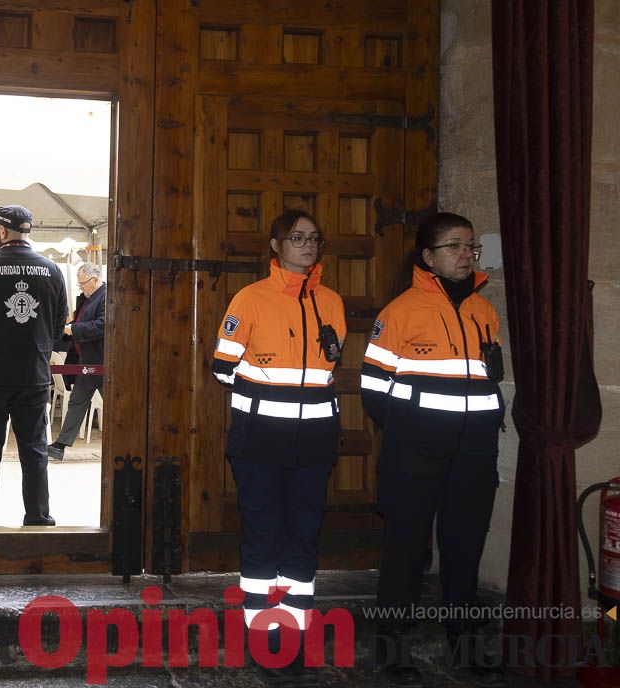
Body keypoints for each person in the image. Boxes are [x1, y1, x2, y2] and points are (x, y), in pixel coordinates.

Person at [360, 213, 506, 687]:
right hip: (415, 454)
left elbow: (490, 378)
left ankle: (464, 641)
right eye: (454, 246)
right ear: (428, 257)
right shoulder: (399, 312)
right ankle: (392, 645)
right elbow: (373, 390)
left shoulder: (484, 312)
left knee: (464, 549)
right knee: (405, 551)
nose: (466, 255)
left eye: (470, 247)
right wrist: (416, 431)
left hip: (474, 452)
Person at [210, 210, 345, 677]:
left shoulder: (332, 301)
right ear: (275, 246)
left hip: (315, 442)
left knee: (304, 536)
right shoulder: (249, 299)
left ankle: (295, 633)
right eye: (296, 238)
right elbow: (222, 368)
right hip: (260, 442)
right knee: (264, 535)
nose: (307, 245)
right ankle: (264, 638)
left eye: (314, 238)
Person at [0, 205, 68, 527]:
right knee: (34, 452)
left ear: (2, 231)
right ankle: (38, 517)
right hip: (32, 375)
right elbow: (59, 325)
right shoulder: (52, 271)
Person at [48, 263, 105, 460]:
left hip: (101, 362)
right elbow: (80, 322)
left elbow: (103, 325)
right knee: (77, 402)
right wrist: (67, 329)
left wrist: (73, 330)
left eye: (83, 284)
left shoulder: (106, 296)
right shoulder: (88, 298)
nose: (81, 288)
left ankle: (130, 439)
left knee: (115, 406)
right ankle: (60, 445)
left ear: (95, 280)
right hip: (86, 361)